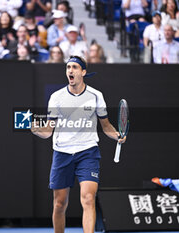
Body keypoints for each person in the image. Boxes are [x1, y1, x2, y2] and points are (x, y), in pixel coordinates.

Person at [31, 55, 126, 233]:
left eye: (74, 67)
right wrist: (37, 130)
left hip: (88, 152)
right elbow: (48, 131)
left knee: (88, 198)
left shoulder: (96, 96)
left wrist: (117, 135)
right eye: (68, 68)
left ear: (83, 72)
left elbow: (106, 126)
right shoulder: (56, 97)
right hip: (62, 153)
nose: (70, 71)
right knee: (59, 203)